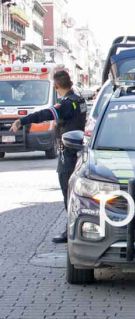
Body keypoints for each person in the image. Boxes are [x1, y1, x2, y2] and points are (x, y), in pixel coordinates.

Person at [10, 70, 87, 244]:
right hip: (77, 151)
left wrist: (21, 121)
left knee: (68, 193)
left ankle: (71, 231)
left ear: (56, 86)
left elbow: (44, 114)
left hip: (68, 154)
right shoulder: (79, 100)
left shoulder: (67, 104)